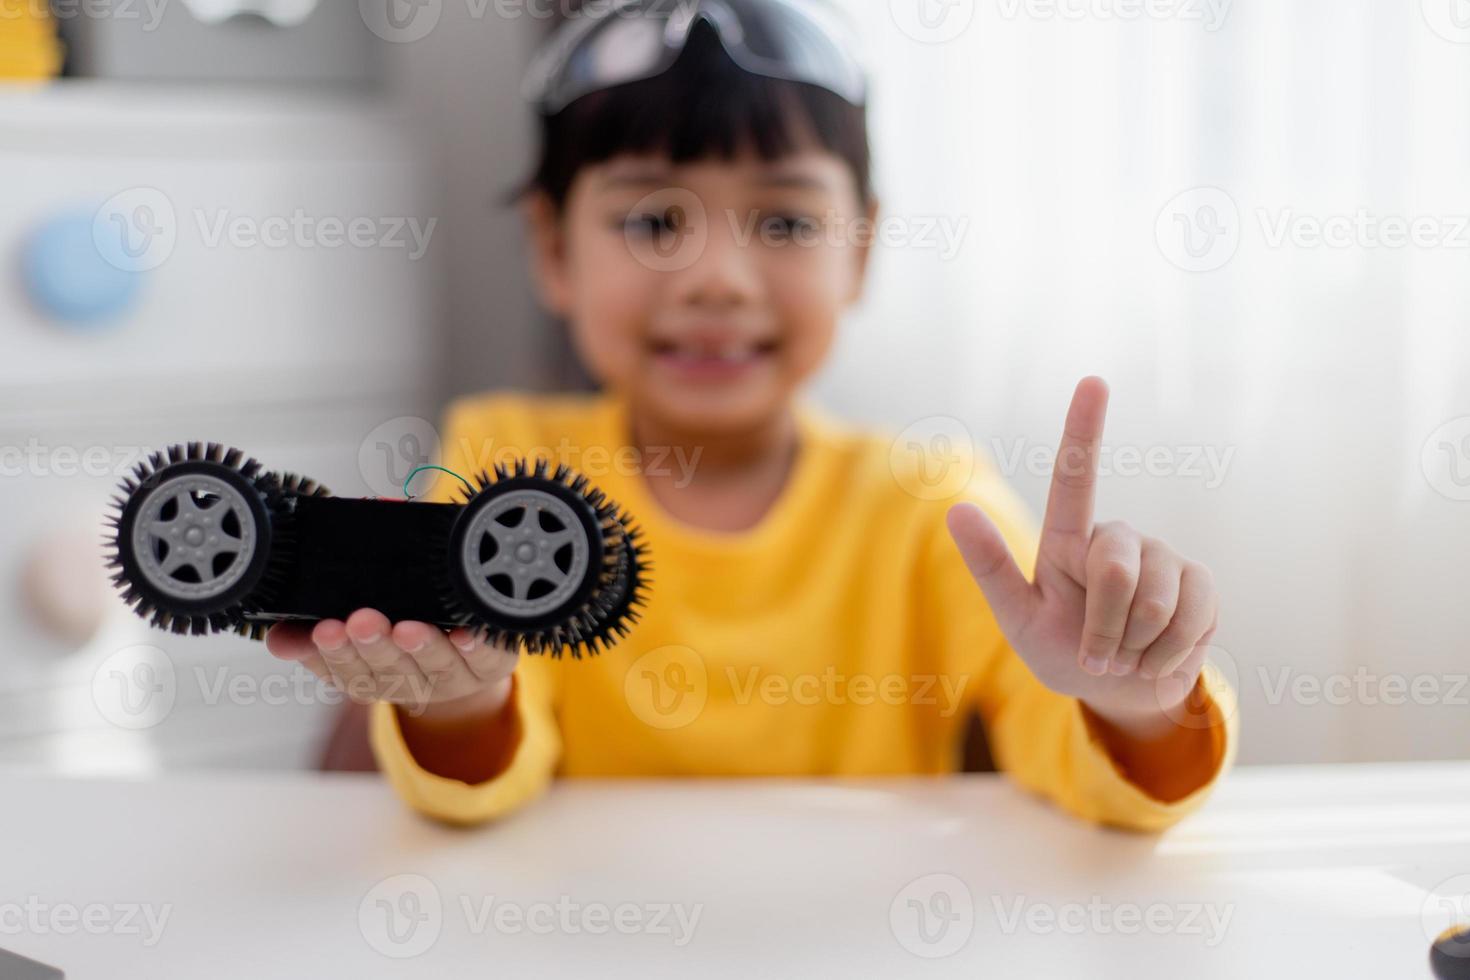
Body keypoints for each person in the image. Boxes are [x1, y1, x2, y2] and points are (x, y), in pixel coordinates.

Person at [266, 0, 1235, 829]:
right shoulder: (505, 459)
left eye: (784, 222)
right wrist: (462, 703)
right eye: (652, 222)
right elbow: (489, 774)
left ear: (861, 249)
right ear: (552, 246)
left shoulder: (926, 504)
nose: (717, 281)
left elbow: (1075, 750)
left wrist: (1138, 703)